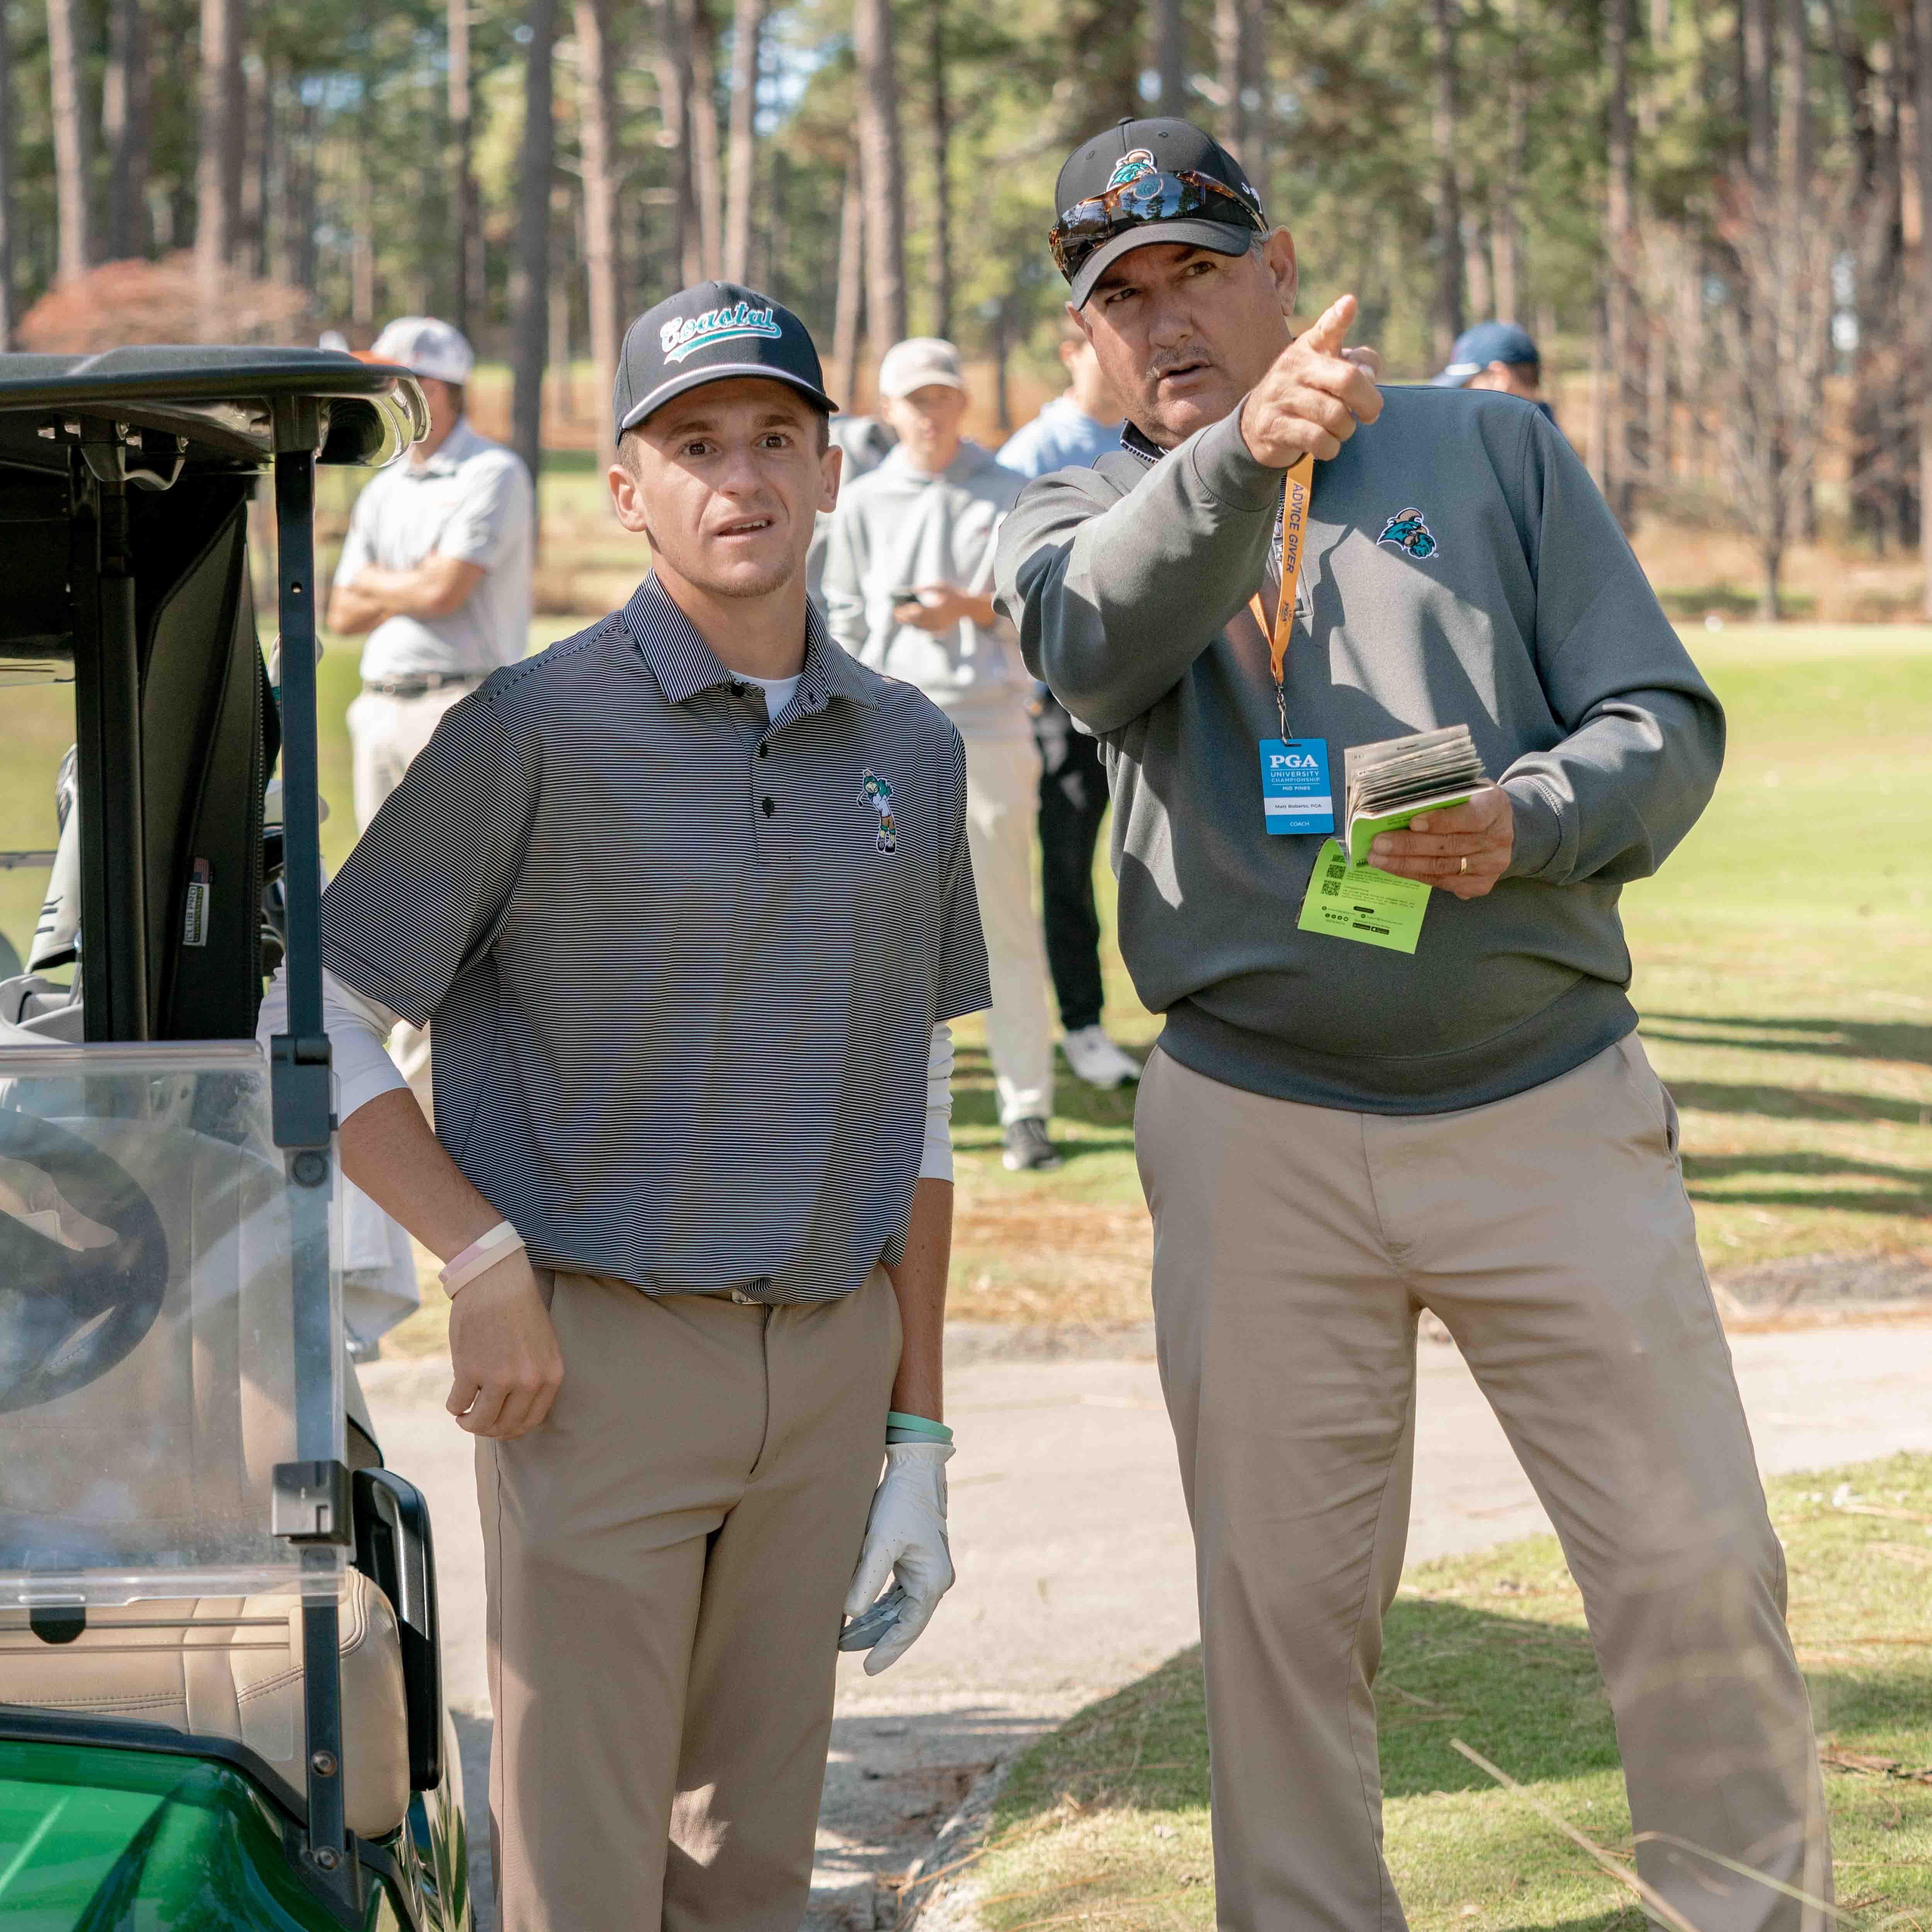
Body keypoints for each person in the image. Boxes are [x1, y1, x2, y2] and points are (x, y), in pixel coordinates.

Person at [997, 116, 1827, 1932]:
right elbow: (1088, 650)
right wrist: (1231, 463)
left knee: (1690, 1562)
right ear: (1086, 344)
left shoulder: (1490, 444)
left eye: (1197, 272)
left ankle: (1751, 1912)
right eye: (1119, 300)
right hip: (1255, 1130)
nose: (1163, 321)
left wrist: (1530, 819)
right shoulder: (1071, 510)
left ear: (1282, 270)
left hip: (1540, 1099)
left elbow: (1662, 726)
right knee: (1284, 1613)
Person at [265, 282, 988, 1932]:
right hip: (593, 1360)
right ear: (625, 485)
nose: (737, 479)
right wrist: (478, 1256)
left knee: (750, 1867)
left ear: (825, 469)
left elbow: (920, 1091)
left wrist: (920, 1431)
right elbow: (319, 1009)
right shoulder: (526, 726)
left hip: (824, 1363)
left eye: (773, 440)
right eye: (693, 444)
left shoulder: (913, 748)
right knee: (586, 1874)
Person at [824, 337, 1063, 1172]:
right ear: (888, 412)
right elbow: (841, 617)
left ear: (962, 403)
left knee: (1004, 921)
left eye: (941, 398)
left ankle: (1025, 1106)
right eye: (913, 401)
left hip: (990, 729)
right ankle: (890, 1108)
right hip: (885, 738)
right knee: (884, 926)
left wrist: (968, 608)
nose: (929, 415)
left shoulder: (1007, 490)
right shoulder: (859, 502)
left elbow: (1041, 614)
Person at [327, 315, 534, 1117]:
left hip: (458, 705)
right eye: (387, 383)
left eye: (409, 383)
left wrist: (390, 585)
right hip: (379, 711)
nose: (394, 397)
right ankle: (421, 1101)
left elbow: (446, 591)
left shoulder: (494, 474)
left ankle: (450, 1106)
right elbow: (341, 610)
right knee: (393, 920)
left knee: (452, 916)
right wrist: (400, 585)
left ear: (446, 390)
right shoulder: (385, 486)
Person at [996, 324, 1140, 1093]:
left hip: (1153, 692)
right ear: (1069, 351)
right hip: (1064, 703)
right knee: (1069, 872)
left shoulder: (1149, 431)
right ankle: (1083, 1025)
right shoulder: (1032, 452)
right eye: (1097, 341)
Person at [1434, 317, 1554, 419]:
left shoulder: (1519, 444)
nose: (1458, 400)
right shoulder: (1547, 438)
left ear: (1499, 377)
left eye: (1465, 387)